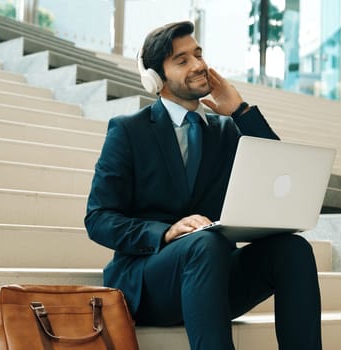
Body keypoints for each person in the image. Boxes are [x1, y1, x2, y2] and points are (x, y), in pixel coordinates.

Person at [85, 20, 322, 350]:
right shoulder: (129, 131)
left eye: (198, 54)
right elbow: (98, 218)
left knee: (293, 250)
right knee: (204, 244)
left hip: (213, 281)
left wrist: (240, 111)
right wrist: (164, 232)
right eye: (182, 60)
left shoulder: (225, 131)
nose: (198, 65)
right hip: (149, 284)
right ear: (156, 78)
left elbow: (279, 171)